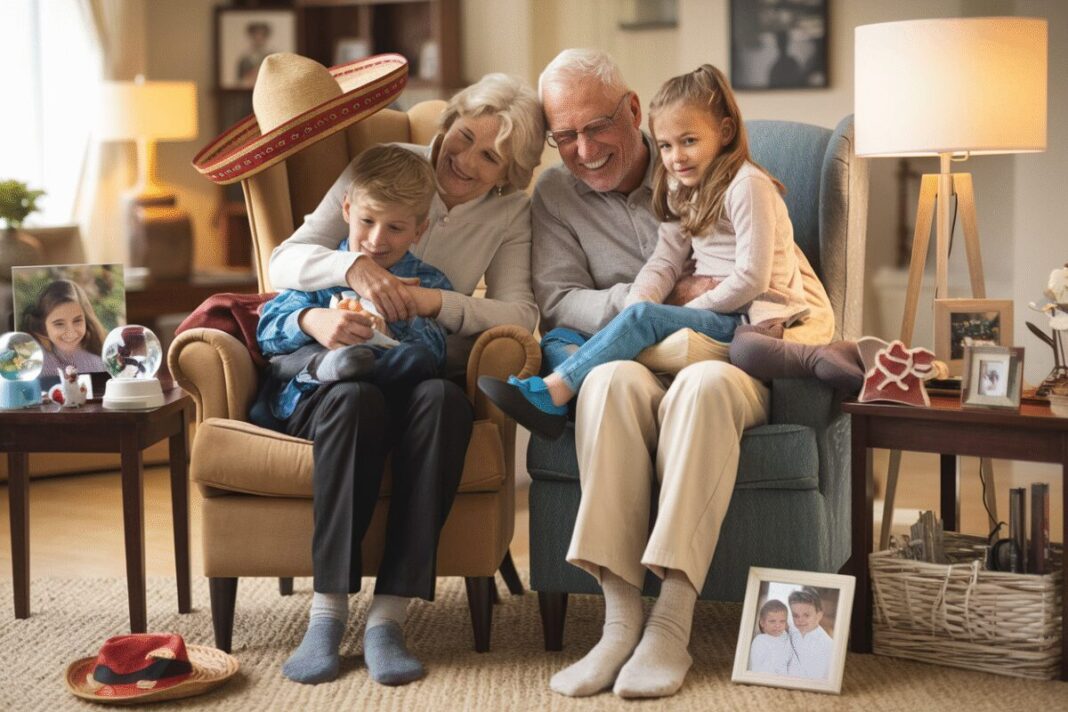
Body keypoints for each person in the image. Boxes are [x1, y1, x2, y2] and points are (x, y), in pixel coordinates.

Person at [528, 48, 834, 700]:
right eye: (565, 136)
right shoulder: (555, 194)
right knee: (604, 382)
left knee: (702, 386)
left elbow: (764, 275)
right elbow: (558, 301)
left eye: (596, 128)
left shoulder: (723, 178)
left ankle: (671, 621)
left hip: (726, 359)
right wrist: (648, 311)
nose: (582, 150)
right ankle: (617, 624)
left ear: (632, 111)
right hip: (638, 356)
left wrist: (690, 308)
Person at [265, 72, 544, 686]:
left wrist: (433, 307)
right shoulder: (385, 165)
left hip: (423, 364)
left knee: (443, 400)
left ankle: (388, 618)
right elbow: (282, 261)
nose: (463, 160)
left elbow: (521, 316)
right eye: (464, 136)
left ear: (511, 171)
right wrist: (353, 267)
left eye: (489, 155)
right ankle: (327, 614)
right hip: (346, 366)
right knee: (353, 396)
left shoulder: (512, 213)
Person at [479, 63, 808, 438]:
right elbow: (664, 260)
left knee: (642, 321)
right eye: (667, 146)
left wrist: (675, 309)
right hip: (688, 317)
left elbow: (755, 277)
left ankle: (555, 392)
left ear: (633, 112)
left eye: (689, 142)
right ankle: (574, 380)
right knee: (562, 338)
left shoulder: (747, 185)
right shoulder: (682, 185)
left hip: (742, 319)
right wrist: (639, 304)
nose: (676, 157)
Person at [253, 144, 452, 433]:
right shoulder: (322, 266)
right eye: (367, 221)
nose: (376, 240)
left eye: (395, 228)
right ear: (347, 209)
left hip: (391, 397)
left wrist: (392, 328)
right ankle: (331, 364)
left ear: (419, 231)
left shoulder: (428, 281)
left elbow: (438, 355)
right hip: (318, 394)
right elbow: (267, 332)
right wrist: (311, 320)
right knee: (352, 392)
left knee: (418, 360)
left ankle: (360, 365)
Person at [21, 279, 106, 374]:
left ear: (86, 319)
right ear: (43, 326)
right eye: (59, 324)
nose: (70, 332)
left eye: (77, 321)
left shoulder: (99, 365)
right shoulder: (33, 366)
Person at [786, 587, 834, 679]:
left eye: (806, 615)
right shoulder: (791, 634)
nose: (800, 620)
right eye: (795, 615)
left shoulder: (827, 645)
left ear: (819, 616)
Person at [749, 598, 796, 675]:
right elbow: (756, 666)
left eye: (782, 621)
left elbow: (792, 661)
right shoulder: (760, 640)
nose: (777, 625)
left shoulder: (787, 639)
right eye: (772, 621)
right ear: (762, 623)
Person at [237, 21, 273, 87]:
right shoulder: (244, 60)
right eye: (255, 35)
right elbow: (240, 82)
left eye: (262, 35)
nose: (258, 38)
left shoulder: (272, 58)